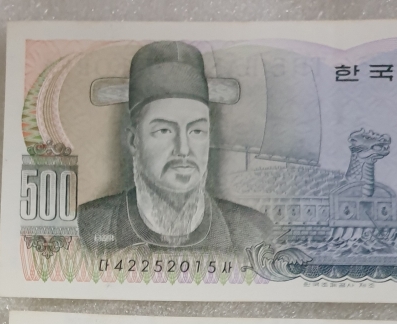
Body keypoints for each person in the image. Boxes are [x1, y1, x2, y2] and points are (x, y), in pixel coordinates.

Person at [78, 41, 275, 256]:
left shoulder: (252, 233)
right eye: (164, 130)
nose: (183, 149)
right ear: (134, 141)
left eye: (196, 131)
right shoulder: (87, 227)